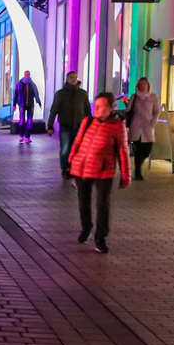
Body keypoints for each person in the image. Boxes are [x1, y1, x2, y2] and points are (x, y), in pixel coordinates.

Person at [67, 92, 130, 253]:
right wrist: (71, 161)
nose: (98, 109)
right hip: (82, 168)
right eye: (96, 106)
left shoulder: (117, 126)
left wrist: (125, 175)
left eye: (102, 106)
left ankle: (100, 237)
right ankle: (86, 228)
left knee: (103, 205)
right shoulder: (87, 121)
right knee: (83, 202)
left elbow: (123, 151)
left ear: (110, 108)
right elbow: (78, 142)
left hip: (104, 171)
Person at [48, 71, 90, 179]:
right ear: (67, 79)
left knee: (76, 148)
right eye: (71, 77)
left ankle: (74, 168)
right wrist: (50, 126)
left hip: (79, 125)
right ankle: (65, 169)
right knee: (65, 149)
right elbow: (54, 110)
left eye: (75, 77)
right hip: (65, 125)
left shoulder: (82, 94)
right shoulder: (60, 93)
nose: (73, 79)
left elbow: (87, 111)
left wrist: (89, 125)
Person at [126, 77, 159, 178]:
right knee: (138, 150)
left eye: (145, 84)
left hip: (148, 126)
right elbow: (128, 110)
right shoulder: (134, 97)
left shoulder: (153, 97)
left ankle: (138, 167)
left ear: (148, 85)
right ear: (138, 86)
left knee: (147, 149)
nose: (143, 86)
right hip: (136, 126)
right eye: (141, 84)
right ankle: (138, 172)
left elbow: (157, 111)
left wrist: (153, 122)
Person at [13, 70, 41, 144]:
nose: (27, 75)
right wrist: (14, 104)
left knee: (28, 121)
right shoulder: (22, 84)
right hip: (23, 104)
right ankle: (22, 136)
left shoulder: (30, 84)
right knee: (23, 120)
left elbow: (36, 94)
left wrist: (39, 102)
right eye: (26, 74)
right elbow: (16, 94)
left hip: (28, 104)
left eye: (28, 74)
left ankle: (26, 137)